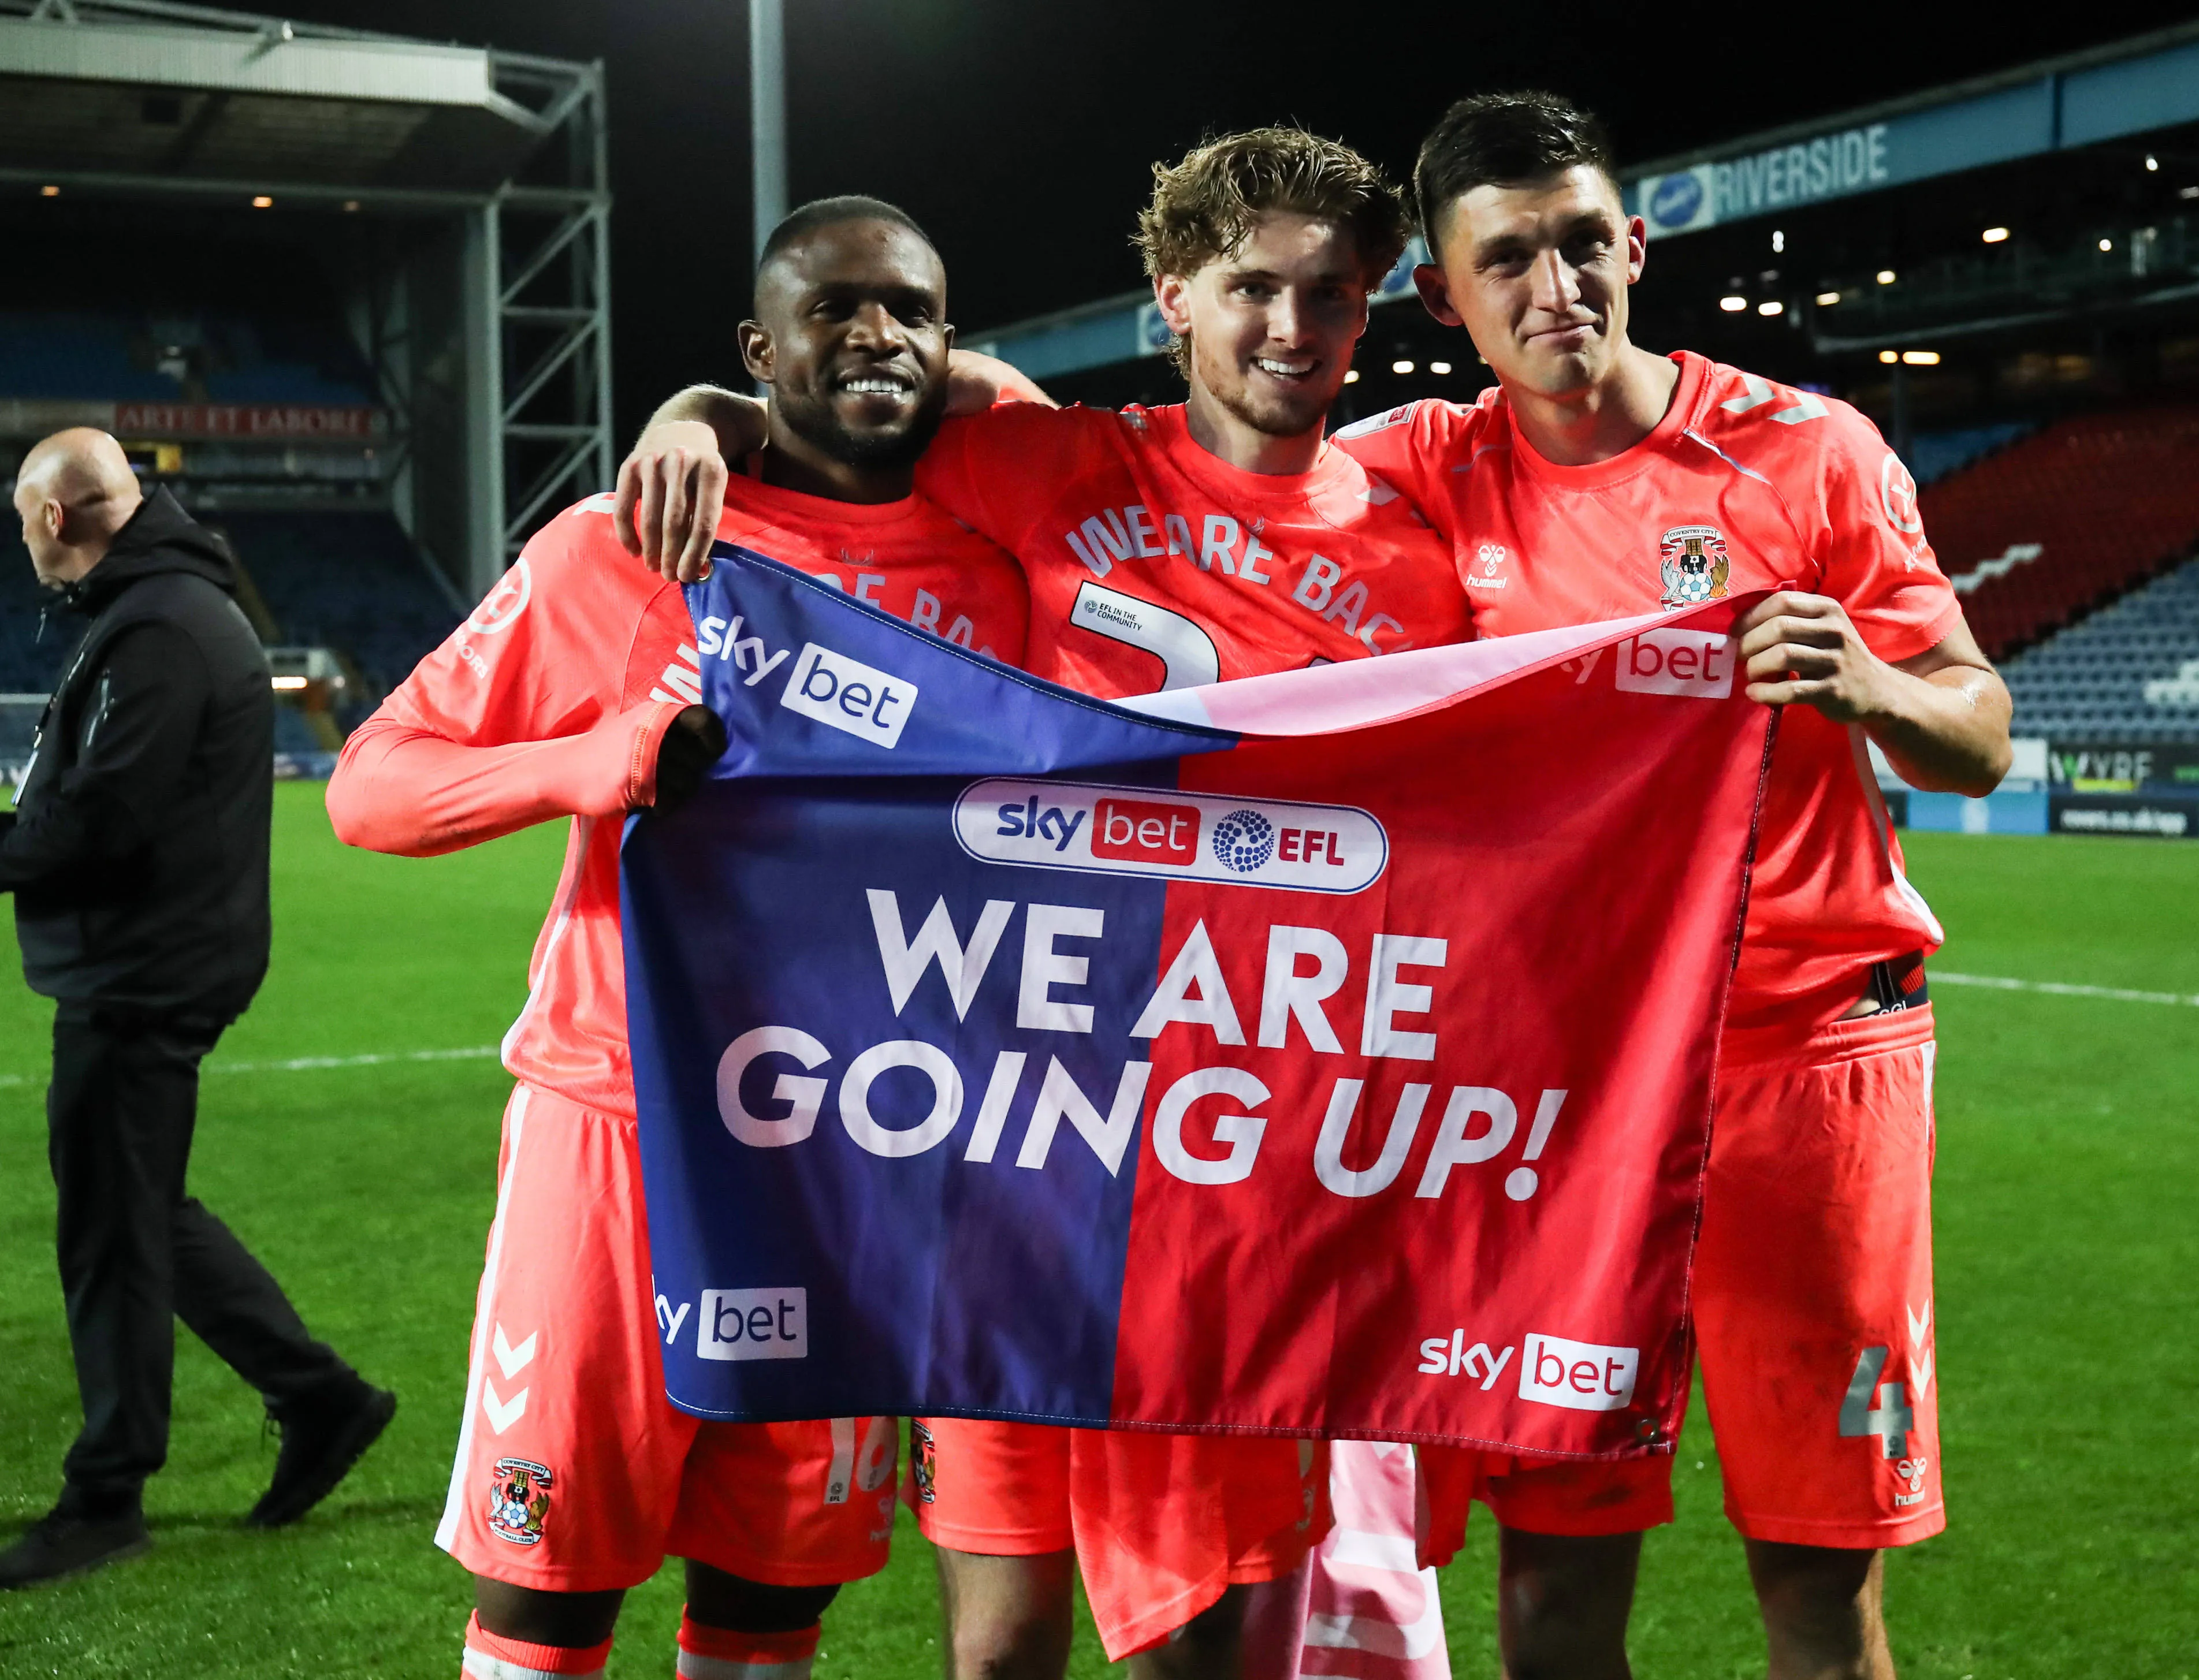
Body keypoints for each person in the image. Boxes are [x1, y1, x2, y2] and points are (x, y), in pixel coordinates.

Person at [619, 128, 1473, 1679]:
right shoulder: (1043, 454)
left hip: (1232, 1170)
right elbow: (865, 385)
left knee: (1193, 1648)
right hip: (1017, 1153)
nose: (1289, 327)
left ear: (1370, 309)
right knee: (999, 1641)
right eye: (1248, 289)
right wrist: (701, 411)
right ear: (1171, 297)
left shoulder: (1419, 559)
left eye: (1328, 295)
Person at [1329, 92, 2014, 1679]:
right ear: (1445, 297)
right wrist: (715, 414)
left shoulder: (1804, 452)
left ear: (1633, 248)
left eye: (1581, 243)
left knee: (1814, 1586)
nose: (1553, 284)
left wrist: (1870, 683)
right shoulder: (1423, 471)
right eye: (1506, 258)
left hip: (1805, 1065)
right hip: (1567, 1098)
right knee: (1555, 1591)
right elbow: (1157, 451)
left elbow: (1975, 733)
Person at [328, 199, 1031, 1680]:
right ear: (757, 345)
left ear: (951, 338)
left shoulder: (1004, 554)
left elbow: (1042, 416)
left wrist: (709, 408)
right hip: (618, 1132)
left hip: (853, 1150)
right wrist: (582, 759)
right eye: (832, 309)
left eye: (908, 307)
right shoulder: (627, 539)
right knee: (548, 1591)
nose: (875, 334)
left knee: (771, 1599)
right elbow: (371, 785)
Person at [0, 430, 395, 1589]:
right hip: (146, 959)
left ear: (56, 518)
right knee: (134, 1205)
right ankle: (320, 1398)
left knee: (111, 1230)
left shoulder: (161, 625)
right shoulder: (155, 612)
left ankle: (107, 1493)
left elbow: (98, 819)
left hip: (146, 970)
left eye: (23, 516)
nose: (22, 538)